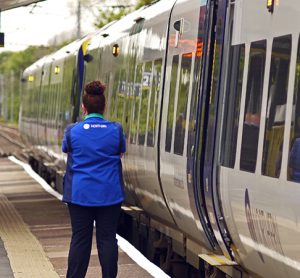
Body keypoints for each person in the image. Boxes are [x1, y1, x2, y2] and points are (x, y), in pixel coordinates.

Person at [61, 80, 126, 278]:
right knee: (107, 239)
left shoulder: (72, 131)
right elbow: (120, 152)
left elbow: (67, 150)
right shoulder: (116, 130)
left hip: (79, 194)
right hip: (109, 194)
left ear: (83, 108)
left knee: (80, 239)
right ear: (104, 106)